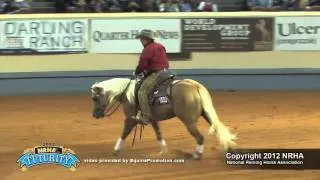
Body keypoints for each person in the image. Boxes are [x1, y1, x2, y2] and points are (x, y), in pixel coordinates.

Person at [131, 29, 170, 125]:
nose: (140, 41)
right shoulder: (160, 46)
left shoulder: (147, 50)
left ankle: (145, 117)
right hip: (167, 72)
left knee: (142, 92)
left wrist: (137, 72)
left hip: (157, 74)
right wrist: (146, 71)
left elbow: (142, 64)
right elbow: (159, 62)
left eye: (141, 39)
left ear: (146, 39)